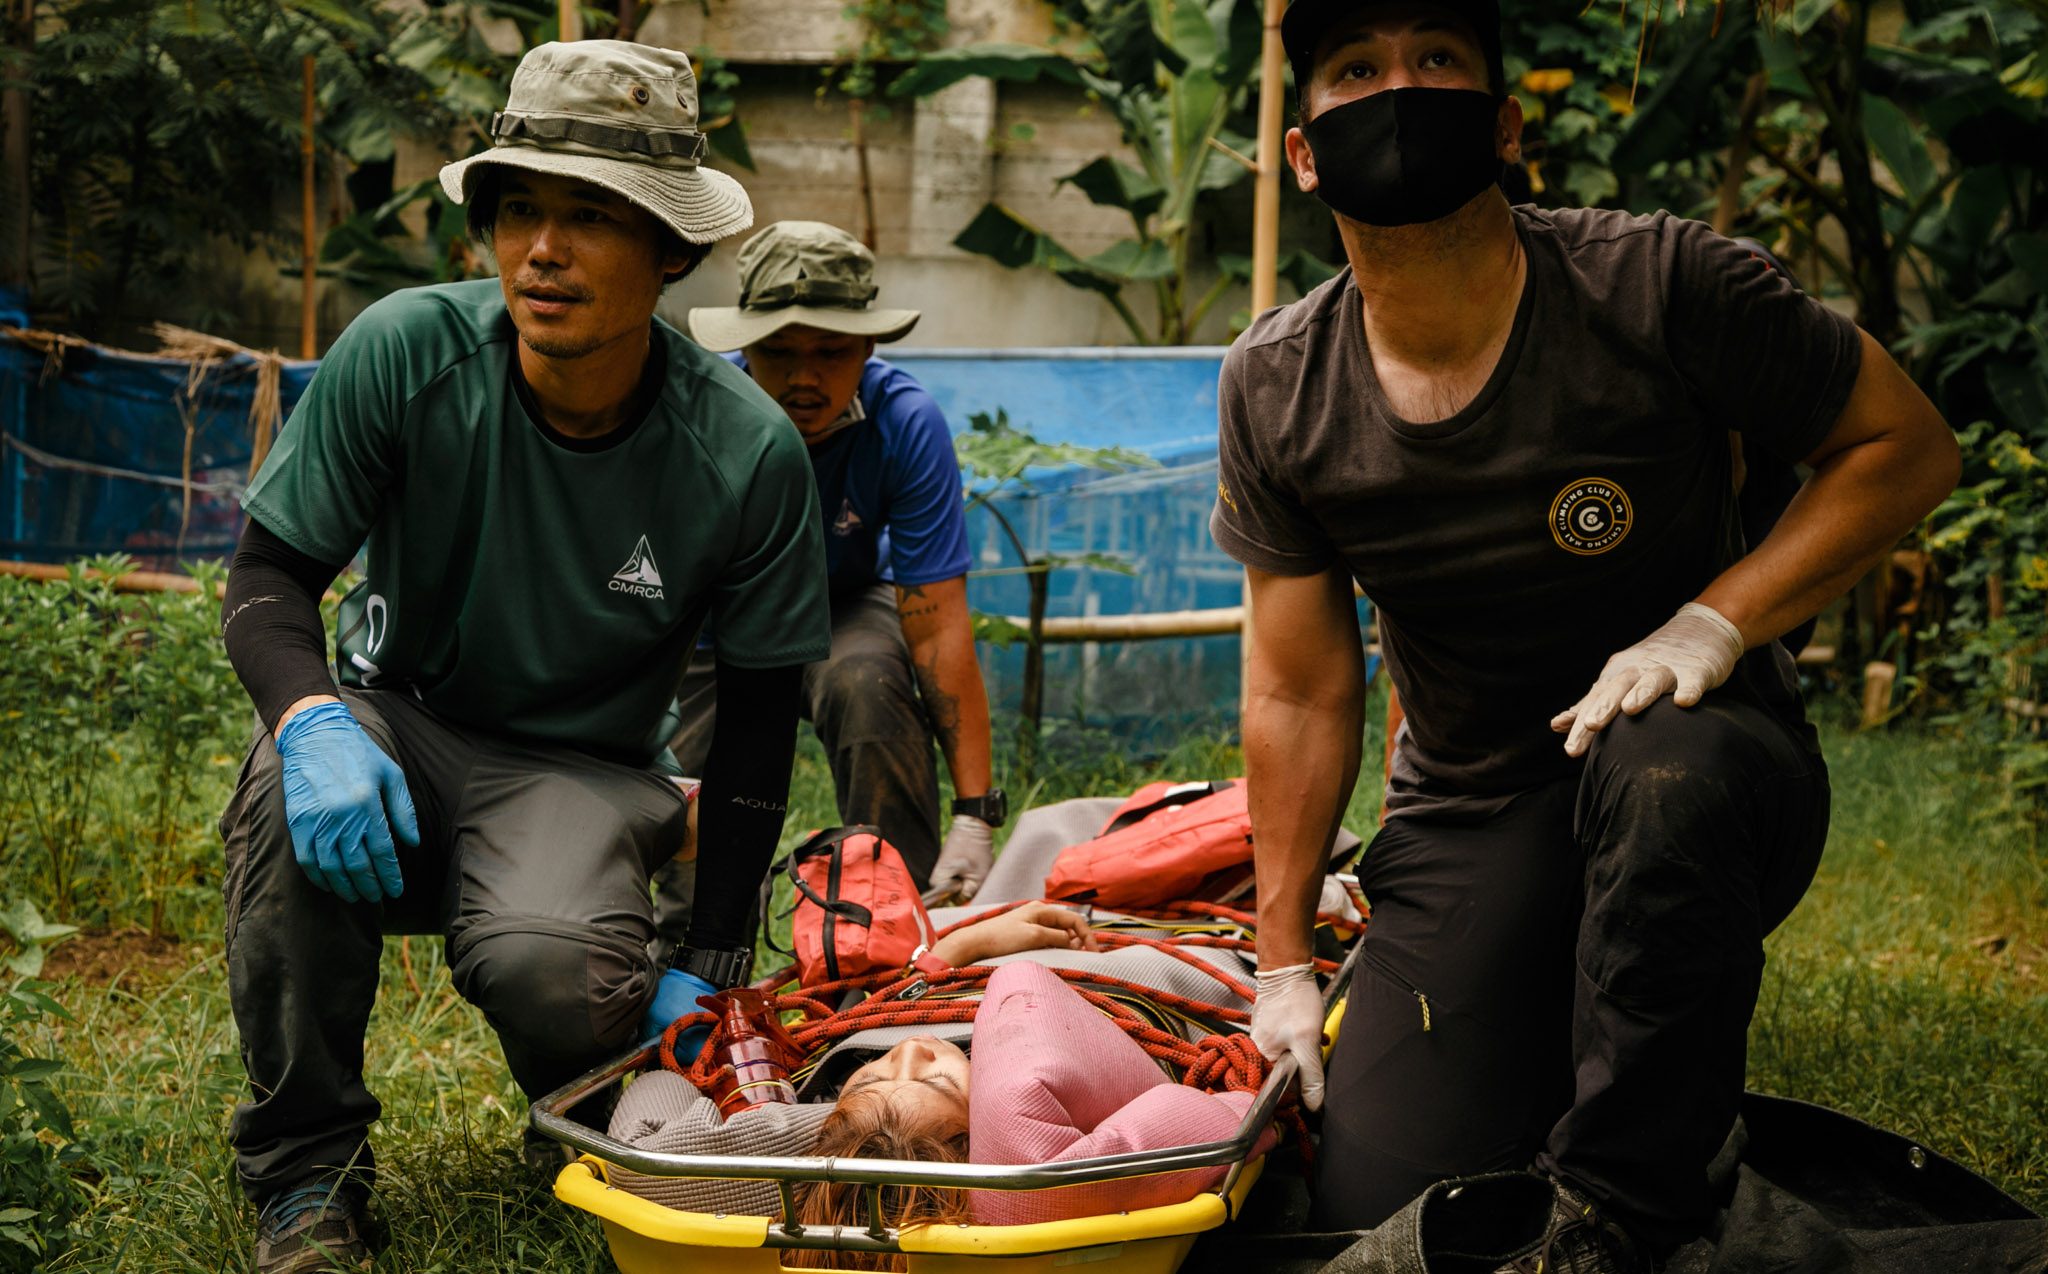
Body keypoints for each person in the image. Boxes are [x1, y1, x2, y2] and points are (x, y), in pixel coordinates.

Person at [1215, 1, 1961, 1269]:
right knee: (1376, 1205)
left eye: (1435, 58)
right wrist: (1281, 961)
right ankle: (1578, 1040)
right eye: (1354, 69)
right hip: (1472, 810)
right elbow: (1296, 690)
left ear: (1504, 127)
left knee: (1663, 767)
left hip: (1702, 767)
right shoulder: (1277, 381)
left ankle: (1619, 1210)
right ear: (1302, 154)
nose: (1398, 92)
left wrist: (1711, 622)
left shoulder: (1659, 283)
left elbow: (1904, 446)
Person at [214, 41, 831, 1274]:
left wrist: (710, 959)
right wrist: (313, 721)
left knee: (558, 969)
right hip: (395, 724)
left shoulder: (745, 453)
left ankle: (587, 1107)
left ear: (671, 249)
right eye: (519, 211)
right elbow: (268, 580)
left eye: (590, 217)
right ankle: (305, 1171)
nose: (542, 250)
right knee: (287, 791)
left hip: (581, 769)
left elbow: (761, 723)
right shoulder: (405, 351)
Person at [654, 219, 1004, 941]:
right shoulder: (697, 414)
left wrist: (976, 813)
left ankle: (897, 934)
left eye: (830, 351)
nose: (804, 377)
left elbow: (937, 623)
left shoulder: (903, 421)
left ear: (868, 349)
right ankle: (696, 965)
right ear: (746, 345)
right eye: (779, 351)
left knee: (867, 685)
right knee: (690, 834)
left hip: (839, 604)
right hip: (710, 625)